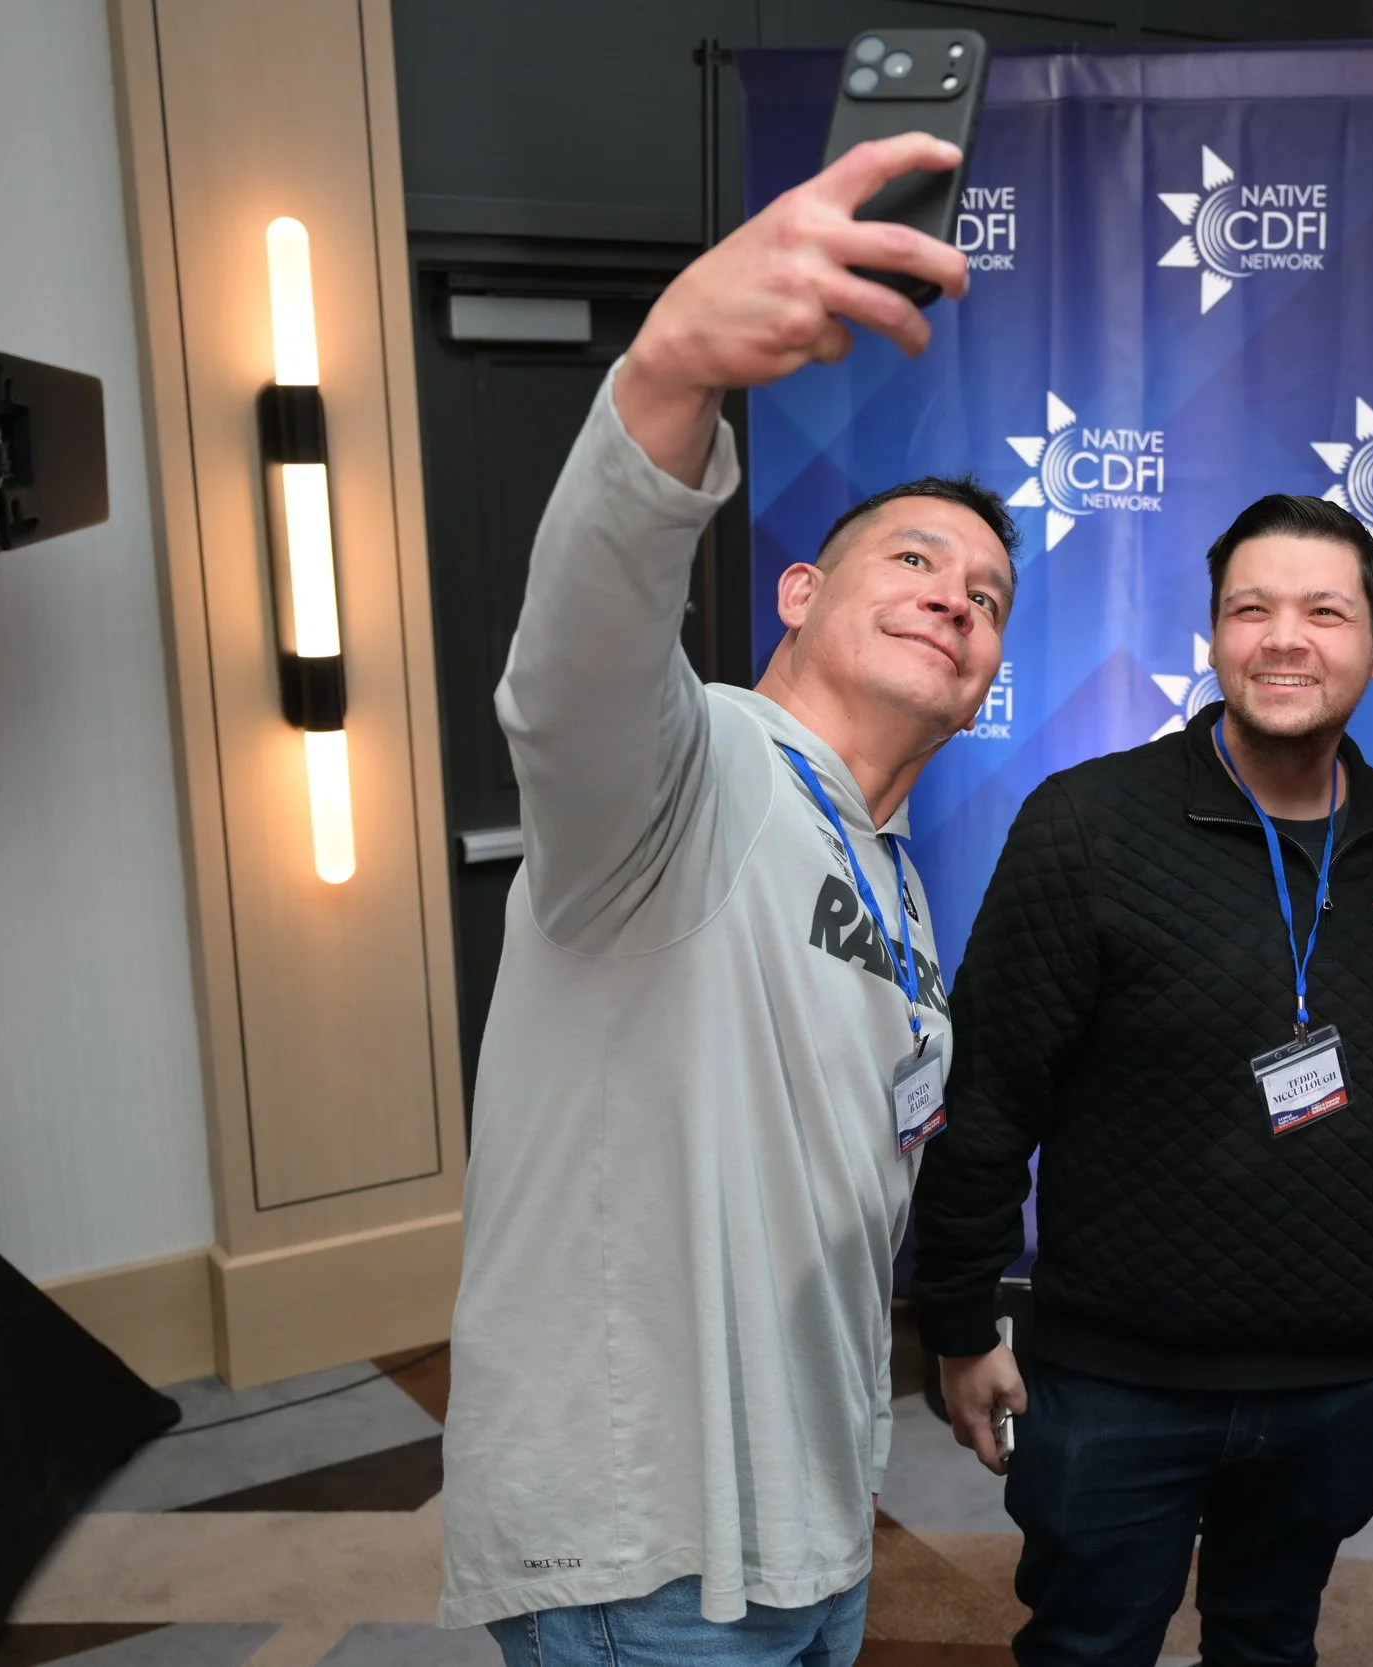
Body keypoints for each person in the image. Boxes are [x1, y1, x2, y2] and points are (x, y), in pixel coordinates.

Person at [436, 134, 1019, 1667]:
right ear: (800, 594)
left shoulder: (894, 875)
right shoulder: (686, 768)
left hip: (813, 1522)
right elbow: (575, 658)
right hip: (652, 1547)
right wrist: (667, 381)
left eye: (988, 599)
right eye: (914, 556)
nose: (958, 596)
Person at [911, 494, 1373, 1667]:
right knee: (1087, 1645)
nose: (1285, 637)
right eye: (1251, 608)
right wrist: (956, 1316)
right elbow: (992, 1090)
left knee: (1270, 1641)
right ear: (1211, 636)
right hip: (1119, 1376)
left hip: (1339, 1376)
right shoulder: (1090, 825)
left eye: (1323, 611)